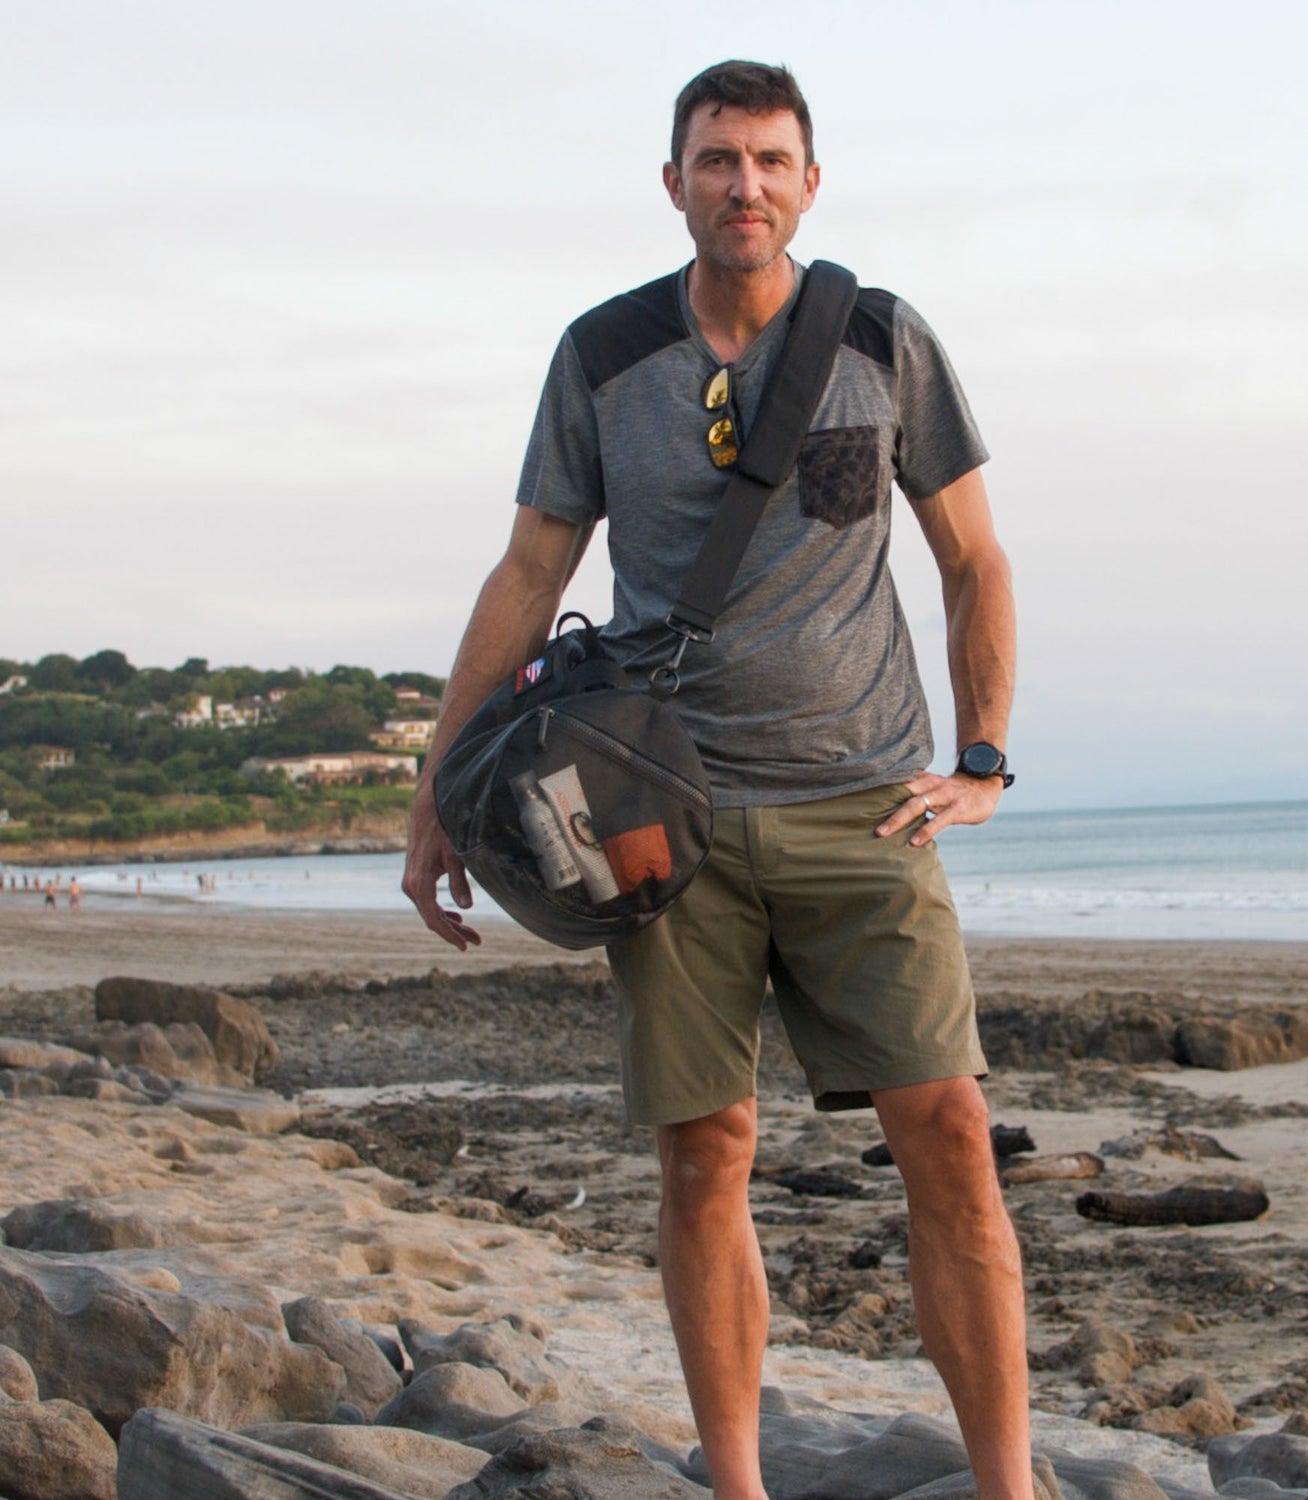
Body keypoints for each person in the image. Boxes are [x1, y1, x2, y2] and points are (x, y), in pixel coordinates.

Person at [403, 60, 1028, 1500]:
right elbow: (530, 573)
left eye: (768, 159)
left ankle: (1008, 1485)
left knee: (950, 1136)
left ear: (809, 181)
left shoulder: (881, 337)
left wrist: (984, 757)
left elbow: (974, 557)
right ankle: (736, 1482)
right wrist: (439, 791)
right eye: (717, 159)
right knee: (705, 1154)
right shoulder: (605, 354)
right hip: (653, 812)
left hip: (864, 805)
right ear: (675, 182)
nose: (744, 184)